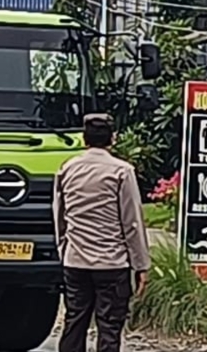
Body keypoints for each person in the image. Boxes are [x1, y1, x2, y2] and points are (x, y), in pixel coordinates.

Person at [53, 113, 151, 352]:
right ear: (112, 139)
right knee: (109, 327)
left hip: (75, 260)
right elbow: (132, 222)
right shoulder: (122, 171)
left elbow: (60, 215)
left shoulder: (67, 169)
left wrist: (64, 249)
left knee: (75, 321)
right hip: (111, 263)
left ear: (84, 139)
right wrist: (141, 264)